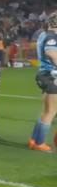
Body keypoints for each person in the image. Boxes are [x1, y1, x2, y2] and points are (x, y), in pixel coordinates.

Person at [28, 11, 57, 152]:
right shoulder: (52, 37)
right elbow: (51, 53)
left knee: (46, 111)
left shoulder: (44, 34)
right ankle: (39, 143)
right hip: (51, 76)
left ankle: (34, 140)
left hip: (44, 74)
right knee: (51, 111)